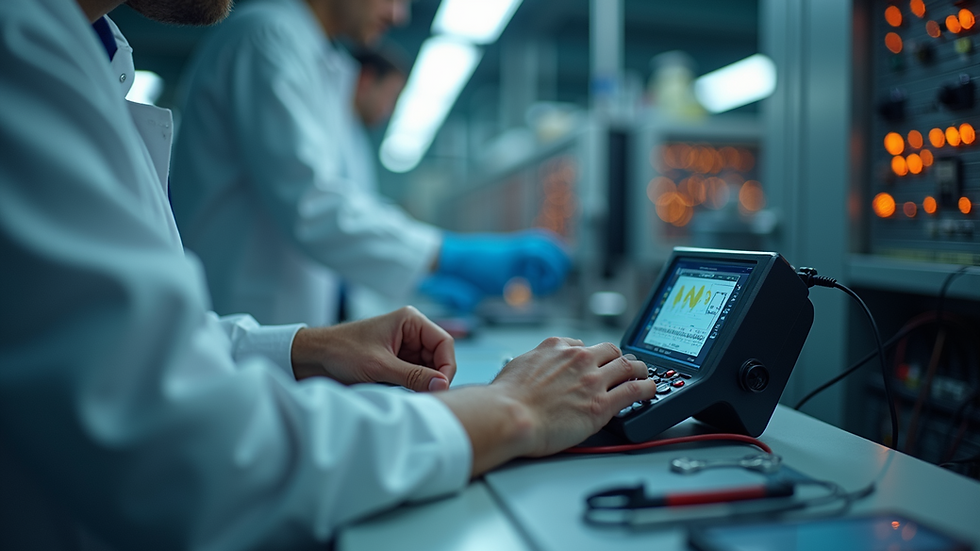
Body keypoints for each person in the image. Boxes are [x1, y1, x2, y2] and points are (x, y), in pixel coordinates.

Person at [0, 2, 658, 549]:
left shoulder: (87, 54)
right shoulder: (259, 36)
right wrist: (507, 409)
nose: (398, 14)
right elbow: (184, 449)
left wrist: (306, 347)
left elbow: (128, 341)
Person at [169, 0, 570, 327]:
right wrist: (446, 254)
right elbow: (312, 205)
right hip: (240, 320)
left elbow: (344, 205)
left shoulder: (316, 61)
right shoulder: (265, 37)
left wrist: (427, 272)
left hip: (277, 328)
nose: (399, 15)